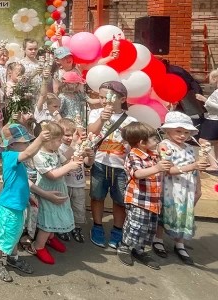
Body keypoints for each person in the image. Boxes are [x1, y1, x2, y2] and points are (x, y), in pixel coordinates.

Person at [0, 123, 49, 282]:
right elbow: (30, 152)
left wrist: (27, 196)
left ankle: (13, 258)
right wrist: (41, 139)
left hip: (17, 205)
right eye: (24, 142)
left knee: (15, 233)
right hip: (8, 207)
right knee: (3, 234)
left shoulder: (17, 160)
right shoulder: (10, 157)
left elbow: (20, 181)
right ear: (13, 144)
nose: (28, 144)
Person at [152, 112, 208, 265]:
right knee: (166, 211)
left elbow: (196, 170)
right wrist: (193, 166)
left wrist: (198, 187)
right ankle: (158, 239)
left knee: (184, 213)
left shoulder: (190, 148)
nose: (182, 135)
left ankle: (180, 243)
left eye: (186, 132)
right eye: (178, 131)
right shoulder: (164, 146)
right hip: (170, 186)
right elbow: (167, 169)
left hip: (187, 187)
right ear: (168, 130)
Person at [88, 81, 136, 249]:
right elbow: (91, 133)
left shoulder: (130, 120)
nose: (104, 100)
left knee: (120, 200)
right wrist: (102, 119)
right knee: (97, 196)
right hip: (100, 162)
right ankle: (97, 226)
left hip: (121, 166)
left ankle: (117, 229)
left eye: (108, 97)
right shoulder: (96, 113)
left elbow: (134, 143)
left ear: (122, 98)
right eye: (100, 97)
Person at [116, 122, 171, 269]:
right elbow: (138, 174)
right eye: (153, 139)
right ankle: (125, 247)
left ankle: (139, 249)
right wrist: (157, 167)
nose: (157, 141)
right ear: (141, 142)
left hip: (153, 200)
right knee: (135, 226)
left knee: (148, 228)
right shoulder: (134, 155)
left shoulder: (153, 155)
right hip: (138, 200)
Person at [30, 122, 79, 265]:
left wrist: (75, 144)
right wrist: (70, 166)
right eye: (58, 140)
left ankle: (50, 236)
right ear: (48, 141)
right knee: (49, 218)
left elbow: (65, 157)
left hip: (59, 188)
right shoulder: (39, 155)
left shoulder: (54, 151)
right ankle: (38, 246)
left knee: (57, 215)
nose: (61, 142)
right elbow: (51, 175)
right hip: (47, 190)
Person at [58, 118, 92, 243]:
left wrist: (90, 156)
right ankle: (62, 228)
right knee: (64, 207)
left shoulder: (79, 145)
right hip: (65, 183)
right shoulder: (59, 148)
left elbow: (87, 163)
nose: (69, 138)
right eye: (66, 135)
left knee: (78, 207)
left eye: (71, 135)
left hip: (78, 183)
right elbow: (63, 161)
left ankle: (76, 227)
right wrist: (75, 147)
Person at [196, 70, 218, 173]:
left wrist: (204, 100)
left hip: (214, 121)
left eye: (211, 77)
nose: (209, 79)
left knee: (203, 141)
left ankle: (214, 165)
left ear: (215, 79)